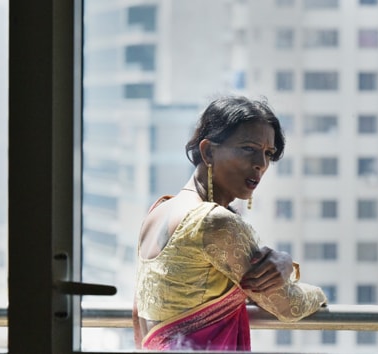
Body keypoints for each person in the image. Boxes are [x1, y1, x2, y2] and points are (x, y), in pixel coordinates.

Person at [132, 96, 327, 351]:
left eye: (268, 153)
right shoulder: (215, 222)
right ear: (209, 151)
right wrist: (319, 294)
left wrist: (284, 263)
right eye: (248, 148)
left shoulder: (158, 211)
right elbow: (288, 305)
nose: (261, 163)